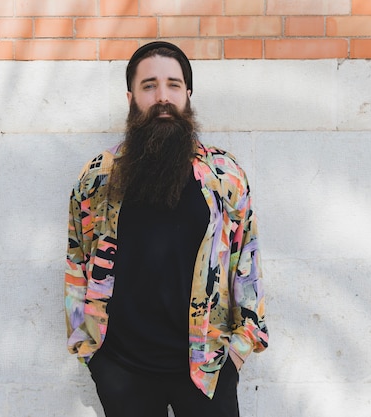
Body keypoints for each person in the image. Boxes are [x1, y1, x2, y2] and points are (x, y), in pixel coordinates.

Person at [65, 41, 268, 417]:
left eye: (174, 85)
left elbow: (246, 261)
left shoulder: (224, 176)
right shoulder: (98, 177)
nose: (162, 97)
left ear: (188, 95)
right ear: (131, 97)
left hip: (207, 367)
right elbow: (77, 259)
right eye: (149, 86)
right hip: (123, 370)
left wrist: (238, 352)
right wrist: (90, 352)